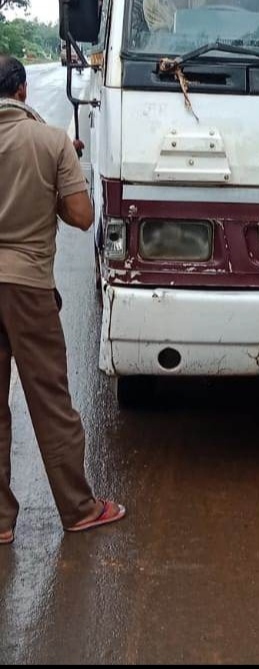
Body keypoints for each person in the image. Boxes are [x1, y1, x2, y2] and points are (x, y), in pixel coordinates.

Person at [0, 56, 125, 544]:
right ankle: (78, 508)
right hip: (28, 288)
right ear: (23, 91)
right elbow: (81, 216)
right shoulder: (51, 142)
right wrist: (59, 171)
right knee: (50, 401)